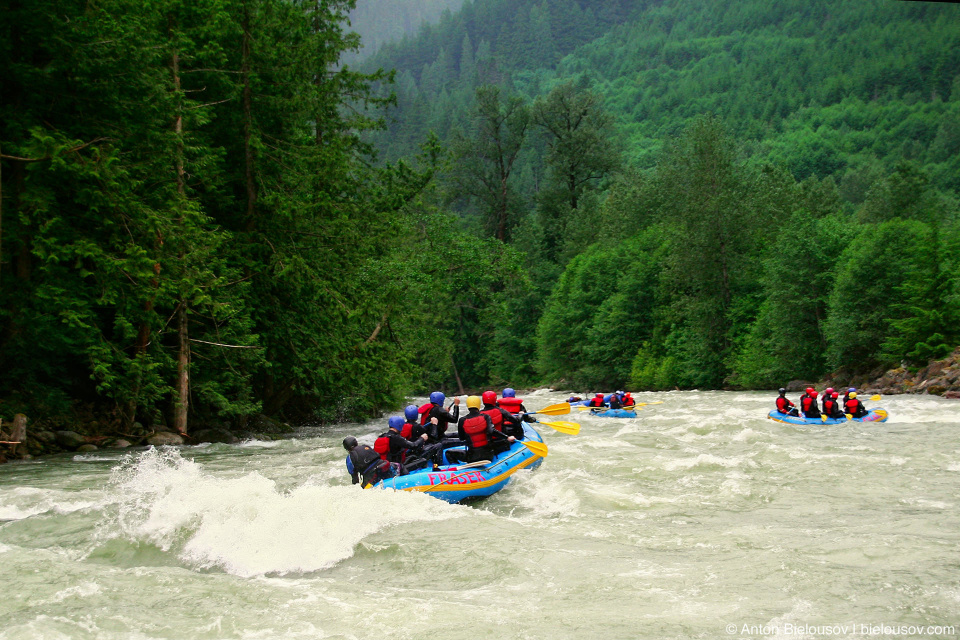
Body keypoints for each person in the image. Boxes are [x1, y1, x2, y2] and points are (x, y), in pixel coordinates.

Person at [448, 395, 515, 464]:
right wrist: (507, 437)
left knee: (448, 453)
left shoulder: (462, 420)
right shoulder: (486, 417)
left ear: (467, 406)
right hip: (488, 455)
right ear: (479, 405)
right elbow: (491, 431)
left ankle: (458, 471)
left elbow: (462, 438)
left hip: (472, 457)